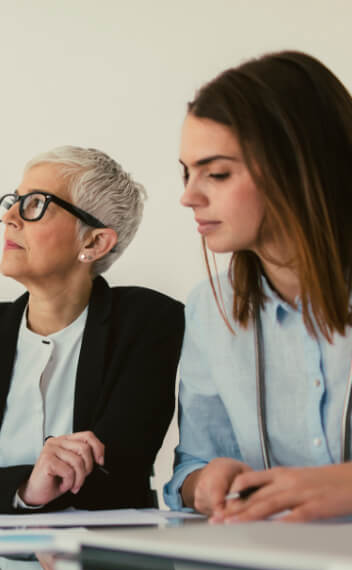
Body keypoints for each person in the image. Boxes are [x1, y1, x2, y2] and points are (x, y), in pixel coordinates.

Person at [0, 146, 184, 514]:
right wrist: (26, 487)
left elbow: (119, 469)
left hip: (102, 558)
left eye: (35, 204)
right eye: (15, 200)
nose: (9, 216)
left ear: (94, 242)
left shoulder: (148, 322)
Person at [165, 50, 352, 523]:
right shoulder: (211, 307)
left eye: (218, 173)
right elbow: (191, 466)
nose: (189, 196)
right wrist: (207, 484)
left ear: (298, 165)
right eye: (187, 172)